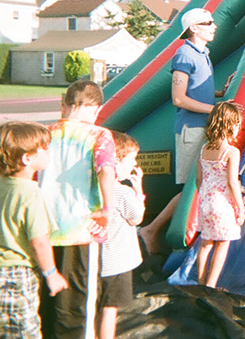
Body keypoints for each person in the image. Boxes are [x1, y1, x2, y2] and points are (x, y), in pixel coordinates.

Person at [140, 8, 232, 255]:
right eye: (208, 22)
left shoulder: (202, 54)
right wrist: (215, 109)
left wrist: (219, 94)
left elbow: (194, 90)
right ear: (194, 28)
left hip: (202, 127)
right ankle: (151, 229)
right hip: (192, 129)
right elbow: (179, 98)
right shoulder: (184, 55)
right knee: (192, 186)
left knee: (201, 185)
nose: (214, 25)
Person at [38, 80, 117, 339]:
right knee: (77, 308)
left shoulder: (45, 133)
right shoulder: (99, 135)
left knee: (47, 305)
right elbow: (105, 171)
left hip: (44, 230)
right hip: (81, 230)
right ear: (96, 108)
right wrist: (108, 208)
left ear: (65, 104)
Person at [0, 122, 68, 338]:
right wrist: (51, 273)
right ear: (27, 158)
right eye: (44, 148)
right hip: (17, 275)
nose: (49, 151)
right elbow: (39, 241)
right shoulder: (31, 194)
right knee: (25, 330)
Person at [98, 132, 145, 339]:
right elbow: (137, 218)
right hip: (117, 264)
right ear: (116, 161)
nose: (134, 163)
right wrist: (139, 192)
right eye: (132, 158)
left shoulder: (96, 190)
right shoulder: (123, 192)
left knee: (94, 307)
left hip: (96, 262)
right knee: (110, 310)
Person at [195, 102, 245, 288]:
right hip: (222, 203)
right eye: (237, 124)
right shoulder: (231, 151)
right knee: (222, 244)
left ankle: (200, 283)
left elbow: (198, 179)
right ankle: (210, 286)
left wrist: (203, 196)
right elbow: (232, 182)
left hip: (206, 200)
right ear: (229, 125)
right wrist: (240, 206)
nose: (239, 128)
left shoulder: (203, 149)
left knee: (206, 244)